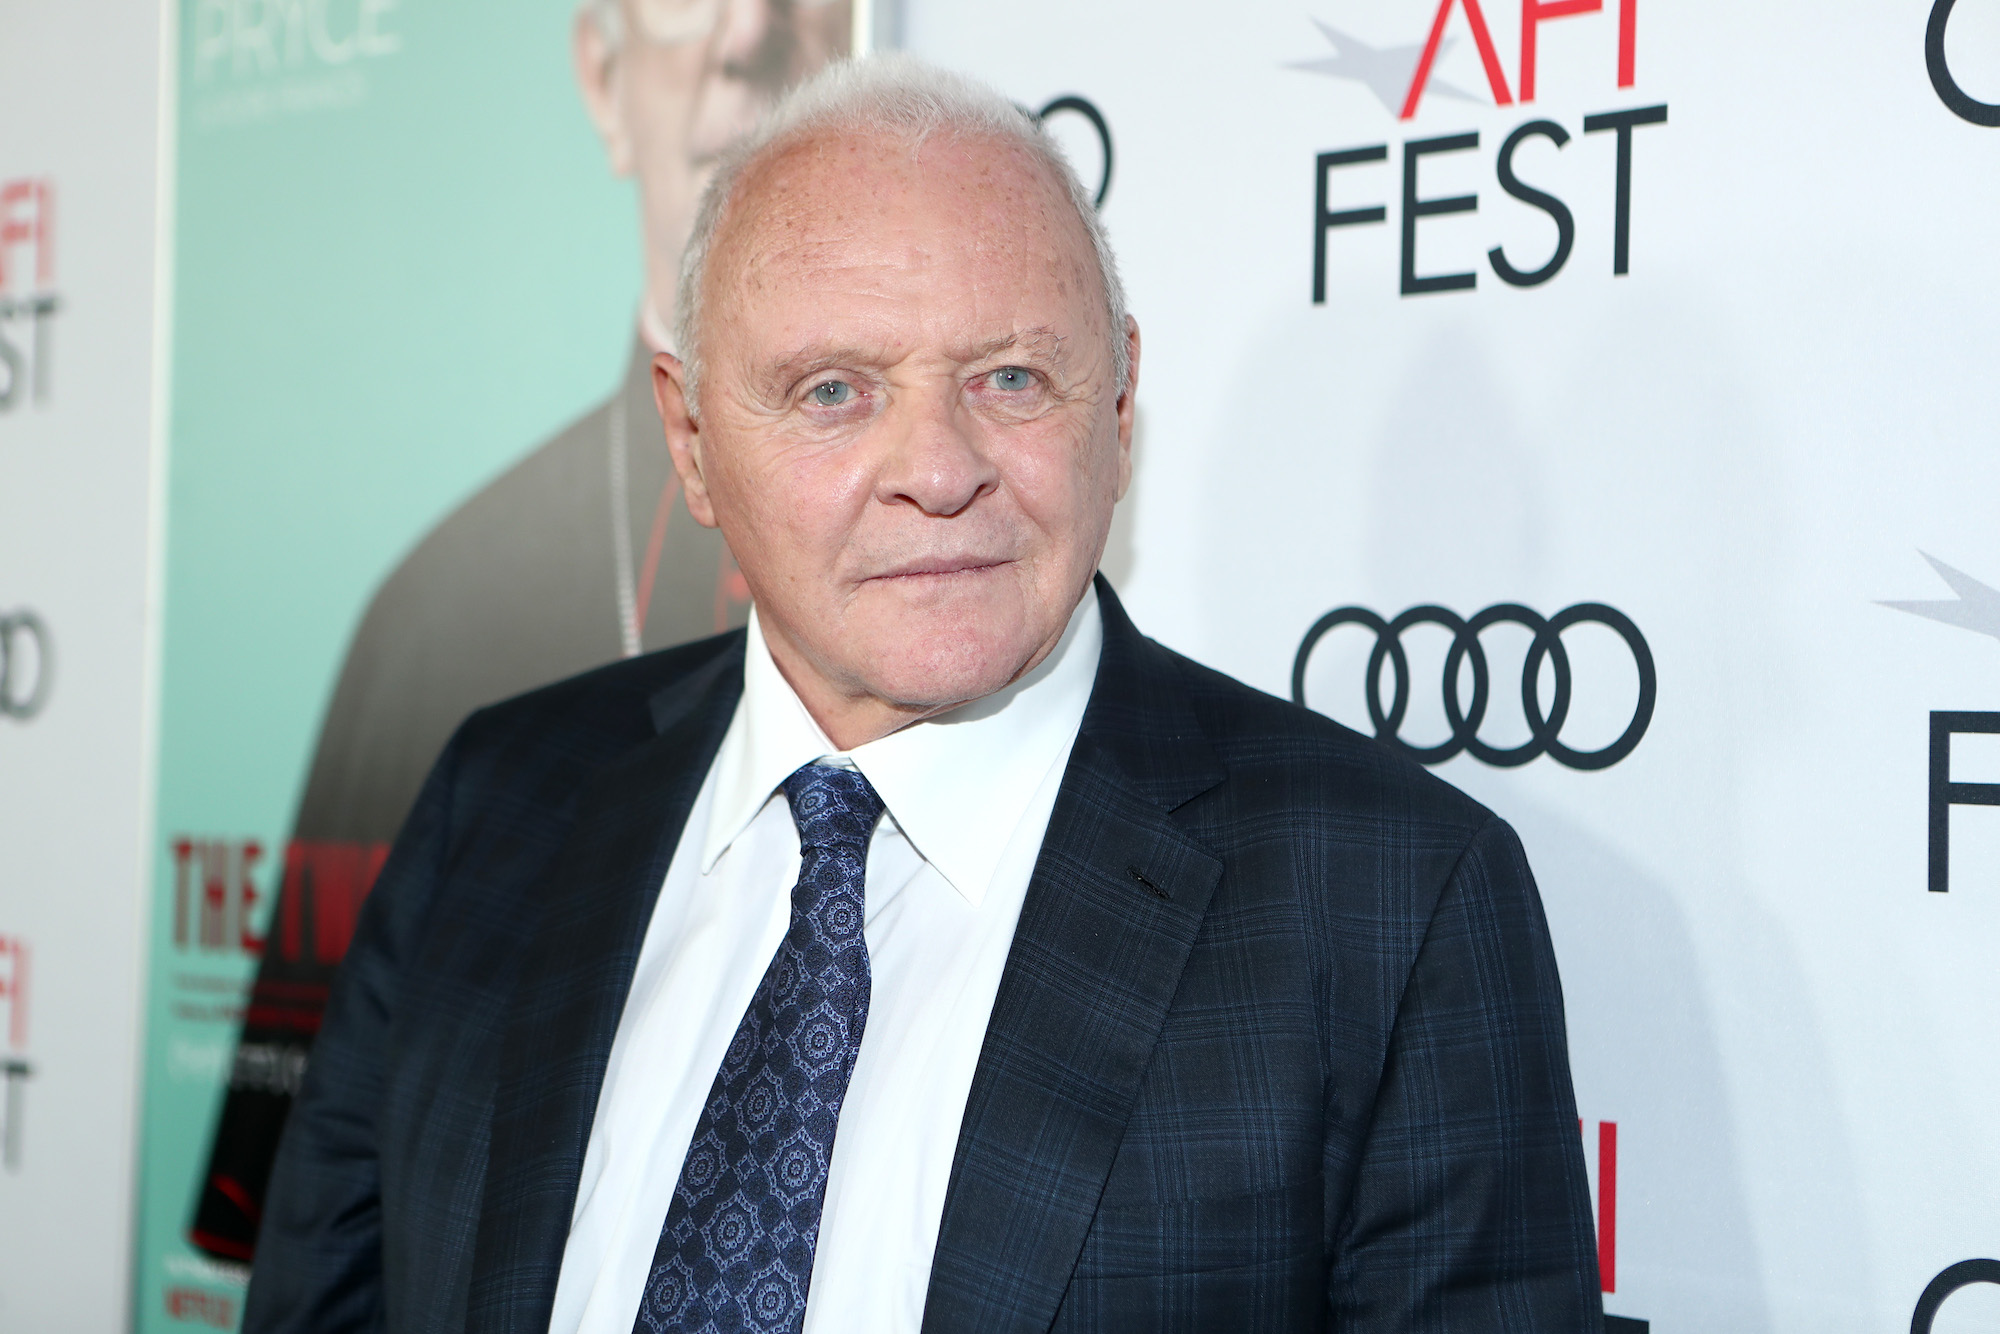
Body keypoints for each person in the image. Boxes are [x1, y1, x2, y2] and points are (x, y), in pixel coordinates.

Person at [243, 55, 1603, 1332]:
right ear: (693, 441)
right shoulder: (499, 797)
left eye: (1011, 377)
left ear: (1118, 412)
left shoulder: (1390, 903)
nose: (939, 467)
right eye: (833, 391)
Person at [191, 0, 851, 1260]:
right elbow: (316, 1232)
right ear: (601, 85)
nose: (744, 30)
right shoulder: (429, 622)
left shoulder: (984, 606)